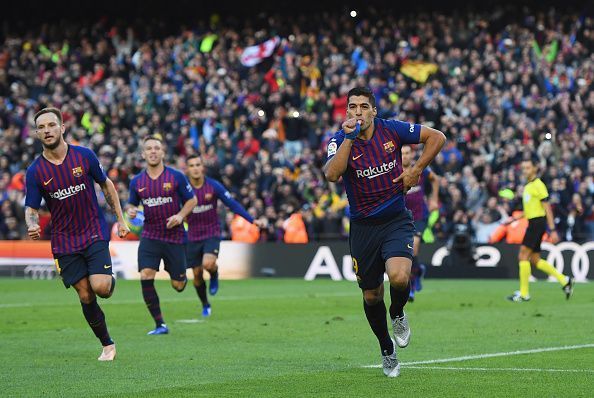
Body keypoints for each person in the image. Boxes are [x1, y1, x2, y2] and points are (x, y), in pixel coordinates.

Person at [323, 87, 445, 377]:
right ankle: (386, 349)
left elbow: (437, 137)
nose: (358, 112)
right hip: (363, 227)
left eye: (364, 107)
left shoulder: (392, 130)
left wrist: (416, 168)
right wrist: (349, 140)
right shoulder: (339, 140)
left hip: (395, 219)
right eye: (352, 107)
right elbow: (331, 174)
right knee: (371, 296)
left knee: (400, 276)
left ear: (374, 111)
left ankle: (399, 313)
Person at [24, 107, 129, 361]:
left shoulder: (84, 156)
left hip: (93, 231)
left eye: (51, 125)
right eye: (41, 127)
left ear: (62, 128)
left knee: (101, 287)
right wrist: (31, 224)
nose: (47, 130)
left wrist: (121, 219)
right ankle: (107, 345)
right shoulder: (35, 172)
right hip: (64, 241)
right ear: (37, 133)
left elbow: (106, 185)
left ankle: (107, 277)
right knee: (85, 294)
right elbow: (31, 208)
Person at [127, 136, 197, 334]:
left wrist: (180, 215)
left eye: (156, 148)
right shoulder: (137, 181)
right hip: (150, 235)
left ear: (163, 152)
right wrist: (131, 211)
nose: (153, 151)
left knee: (178, 285)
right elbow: (131, 204)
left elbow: (192, 200)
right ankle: (160, 324)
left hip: (174, 236)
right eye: (148, 148)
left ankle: (180, 275)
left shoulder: (176, 176)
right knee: (146, 274)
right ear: (143, 154)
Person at [184, 154, 258, 316]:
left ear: (202, 167)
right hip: (192, 235)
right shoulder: (183, 189)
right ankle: (205, 304)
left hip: (211, 232)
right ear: (187, 169)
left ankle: (214, 273)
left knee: (208, 264)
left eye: (198, 164)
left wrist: (252, 220)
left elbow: (233, 204)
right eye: (192, 165)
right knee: (196, 274)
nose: (195, 168)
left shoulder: (213, 186)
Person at [507, 156, 574, 302]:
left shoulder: (538, 185)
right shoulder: (528, 186)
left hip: (537, 223)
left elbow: (547, 208)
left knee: (522, 256)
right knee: (535, 260)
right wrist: (516, 218)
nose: (525, 171)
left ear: (535, 168)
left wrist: (553, 229)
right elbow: (530, 209)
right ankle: (565, 280)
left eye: (528, 168)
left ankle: (524, 294)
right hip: (533, 222)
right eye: (523, 168)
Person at [401, 145, 440, 301]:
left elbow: (435, 179)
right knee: (407, 253)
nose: (404, 156)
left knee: (414, 245)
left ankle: (411, 285)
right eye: (402, 153)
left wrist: (434, 199)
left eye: (407, 153)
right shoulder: (394, 170)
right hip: (401, 217)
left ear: (412, 154)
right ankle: (418, 271)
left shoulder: (420, 169)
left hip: (419, 216)